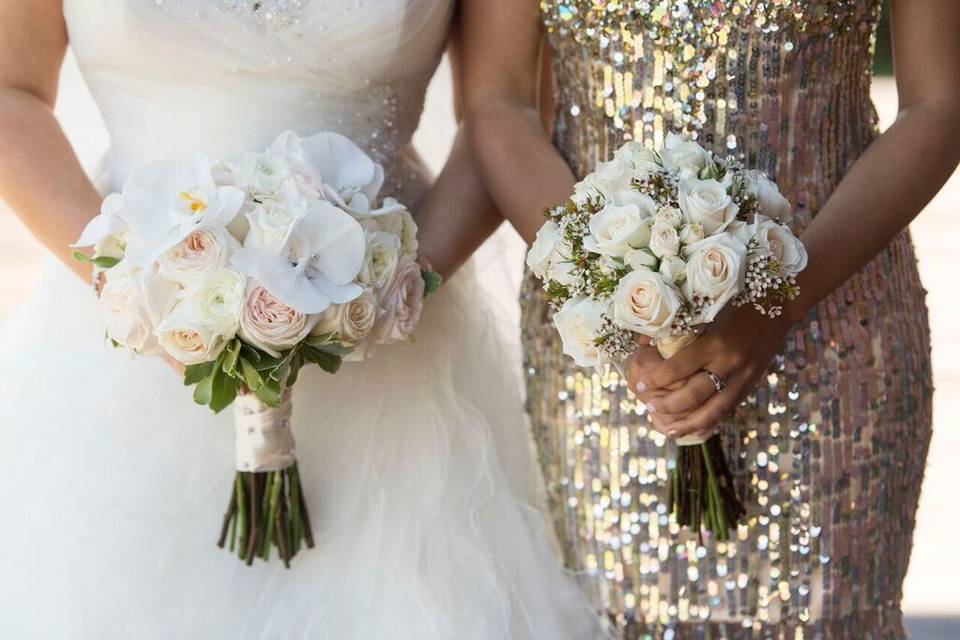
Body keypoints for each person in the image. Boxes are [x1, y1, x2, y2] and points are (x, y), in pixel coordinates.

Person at [0, 1, 601, 637]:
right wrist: (128, 283)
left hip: (395, 371)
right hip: (119, 357)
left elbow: (499, 110)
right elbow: (12, 91)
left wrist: (393, 289)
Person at [464, 0, 959, 635]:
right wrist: (603, 296)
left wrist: (781, 302)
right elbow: (498, 101)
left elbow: (937, 105)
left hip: (836, 330)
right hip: (602, 359)